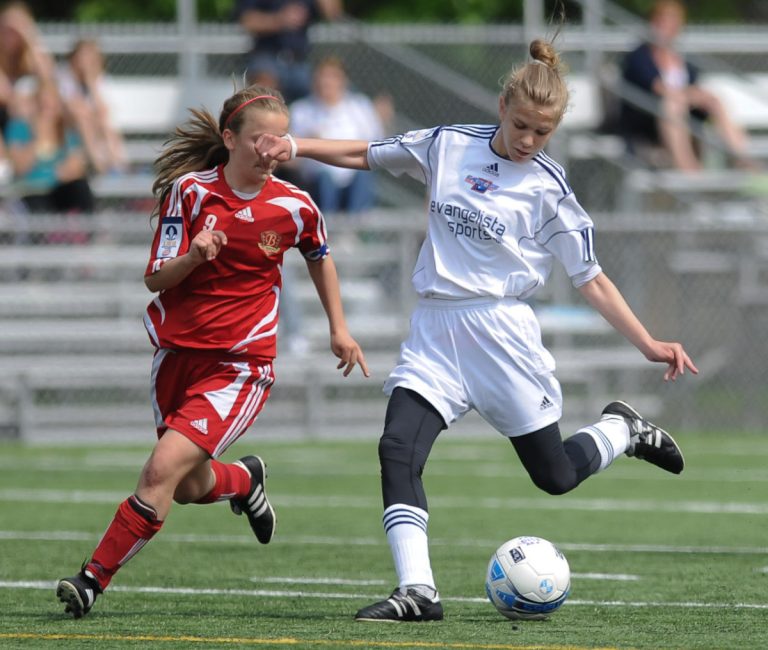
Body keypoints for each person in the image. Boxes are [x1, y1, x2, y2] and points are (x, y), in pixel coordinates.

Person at [257, 37, 699, 622]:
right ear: (501, 107)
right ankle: (419, 591)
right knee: (397, 449)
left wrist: (647, 342)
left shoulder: (549, 188)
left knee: (556, 476)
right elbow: (364, 153)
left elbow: (590, 278)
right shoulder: (447, 145)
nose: (528, 140)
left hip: (501, 334)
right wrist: (294, 145)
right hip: (436, 328)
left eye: (542, 133)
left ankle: (622, 429)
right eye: (521, 125)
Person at [55, 85, 370, 618]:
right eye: (259, 140)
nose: (271, 150)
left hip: (241, 367)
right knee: (183, 486)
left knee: (159, 471)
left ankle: (90, 580)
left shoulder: (294, 205)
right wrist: (195, 256)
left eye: (279, 140)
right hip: (176, 358)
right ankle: (245, 479)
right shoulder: (190, 193)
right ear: (229, 139)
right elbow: (156, 278)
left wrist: (339, 327)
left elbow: (320, 256)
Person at [619, 0, 754, 172]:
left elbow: (691, 87)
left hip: (684, 116)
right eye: (664, 21)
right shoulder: (639, 56)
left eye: (674, 21)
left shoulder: (682, 58)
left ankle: (744, 159)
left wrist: (698, 96)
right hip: (647, 120)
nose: (668, 27)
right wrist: (688, 95)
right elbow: (658, 88)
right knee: (672, 106)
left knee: (714, 100)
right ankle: (690, 172)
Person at [290, 56, 387, 214]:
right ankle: (327, 225)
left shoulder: (359, 107)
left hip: (353, 176)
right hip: (317, 179)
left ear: (343, 81)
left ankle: (353, 229)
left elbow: (376, 145)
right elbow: (290, 156)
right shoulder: (301, 110)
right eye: (323, 76)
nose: (326, 82)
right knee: (325, 178)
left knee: (364, 175)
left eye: (333, 76)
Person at [4, 75, 94, 214]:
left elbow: (75, 166)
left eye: (52, 104)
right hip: (31, 190)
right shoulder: (19, 127)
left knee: (80, 188)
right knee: (37, 205)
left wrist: (58, 174)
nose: (47, 109)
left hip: (58, 189)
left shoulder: (66, 130)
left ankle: (88, 232)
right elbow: (20, 167)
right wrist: (38, 136)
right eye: (43, 104)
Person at [232, 0, 343, 104]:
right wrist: (279, 20)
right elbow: (247, 21)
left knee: (326, 88)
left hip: (300, 62)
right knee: (264, 91)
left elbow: (333, 14)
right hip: (267, 57)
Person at [57, 38, 127, 175]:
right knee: (83, 118)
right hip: (67, 129)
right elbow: (71, 106)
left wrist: (90, 80)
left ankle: (118, 166)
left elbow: (103, 110)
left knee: (103, 121)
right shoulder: (63, 76)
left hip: (95, 127)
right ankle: (101, 167)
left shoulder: (100, 80)